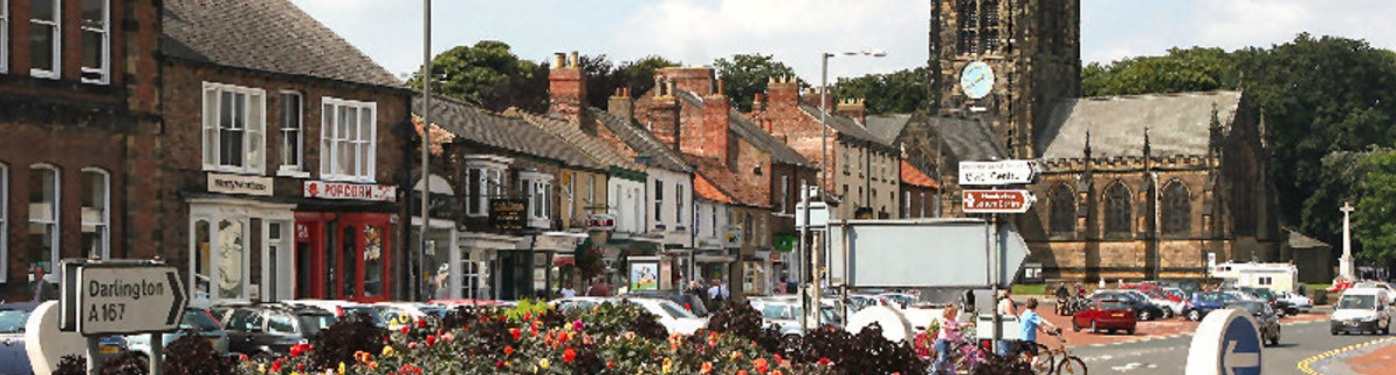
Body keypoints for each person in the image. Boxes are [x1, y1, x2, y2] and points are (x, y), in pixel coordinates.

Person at [1018, 298, 1061, 369]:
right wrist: (1053, 327)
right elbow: (1042, 322)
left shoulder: (1024, 313)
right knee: (1036, 358)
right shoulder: (1031, 315)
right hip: (1028, 340)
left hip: (1021, 339)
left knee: (1028, 356)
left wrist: (1046, 331)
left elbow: (1037, 326)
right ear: (1035, 306)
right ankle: (1030, 370)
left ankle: (1025, 368)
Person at [933, 303, 962, 375]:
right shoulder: (945, 319)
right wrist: (952, 328)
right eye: (955, 313)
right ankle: (934, 371)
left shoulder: (954, 321)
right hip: (942, 342)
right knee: (942, 357)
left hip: (948, 342)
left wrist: (968, 324)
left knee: (948, 358)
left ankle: (947, 372)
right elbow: (943, 326)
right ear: (949, 313)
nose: (956, 315)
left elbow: (959, 325)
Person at [996, 289, 1018, 356]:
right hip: (1007, 331)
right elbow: (1011, 317)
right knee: (1006, 353)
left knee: (1003, 350)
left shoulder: (1000, 301)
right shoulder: (1007, 302)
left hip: (1001, 329)